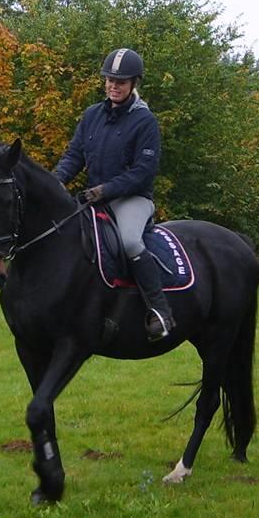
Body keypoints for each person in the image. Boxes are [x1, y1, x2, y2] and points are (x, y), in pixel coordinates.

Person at [53, 48, 175, 341]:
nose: (113, 86)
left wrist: (105, 190)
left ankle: (160, 311)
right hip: (95, 198)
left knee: (130, 241)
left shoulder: (145, 122)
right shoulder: (92, 114)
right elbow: (74, 155)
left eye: (120, 81)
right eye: (109, 79)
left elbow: (142, 172)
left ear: (134, 83)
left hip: (132, 199)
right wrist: (55, 181)